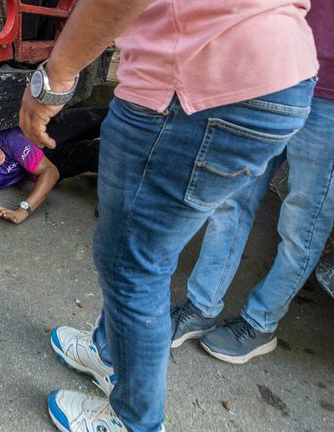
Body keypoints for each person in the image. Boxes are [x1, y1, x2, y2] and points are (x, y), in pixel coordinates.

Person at [18, 1, 318, 431]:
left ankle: (135, 421)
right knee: (147, 248)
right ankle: (109, 353)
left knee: (133, 266)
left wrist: (55, 76)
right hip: (274, 79)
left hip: (196, 84)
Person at [170, 0, 334, 364]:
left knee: (302, 223)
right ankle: (201, 305)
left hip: (330, 99)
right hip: (279, 73)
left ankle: (260, 323)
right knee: (233, 198)